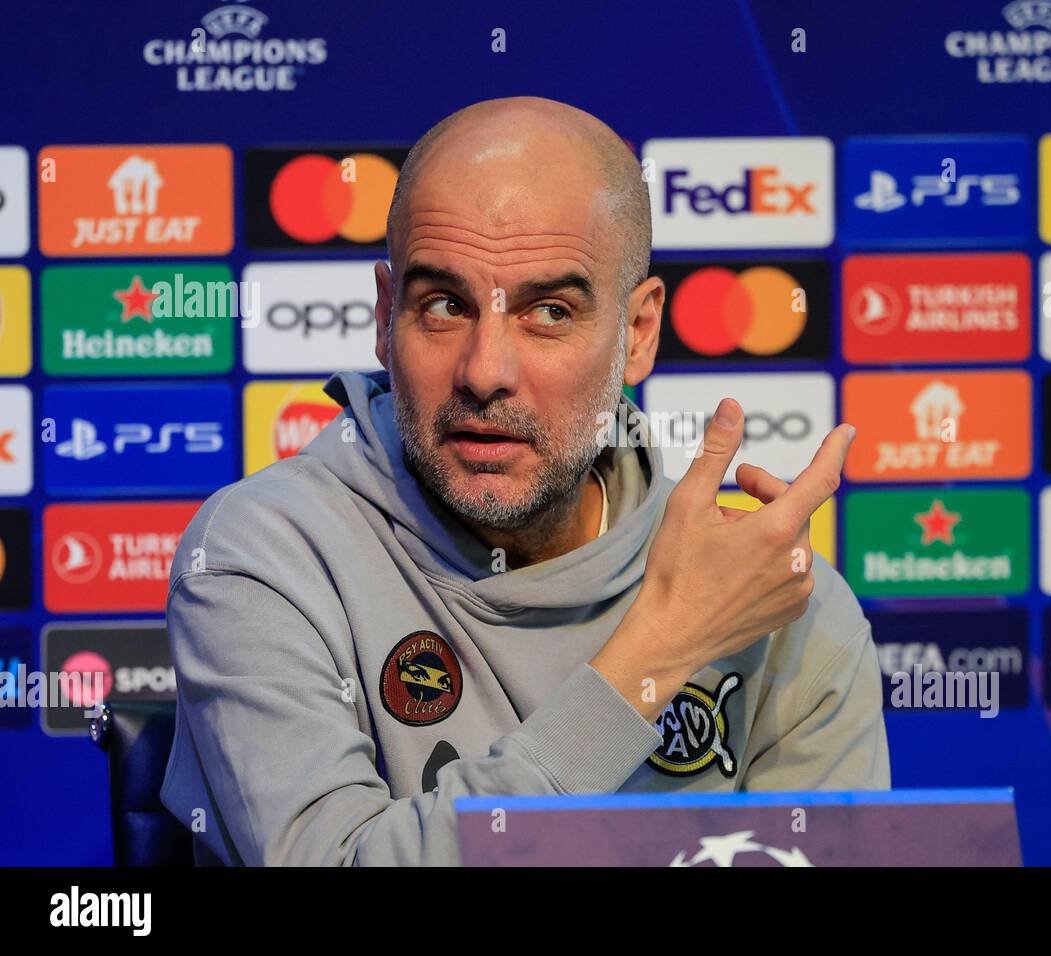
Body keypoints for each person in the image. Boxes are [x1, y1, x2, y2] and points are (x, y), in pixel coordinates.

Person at [161, 95, 889, 865]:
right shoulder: (262, 557)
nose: (485, 373)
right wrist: (665, 645)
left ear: (636, 334)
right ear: (384, 319)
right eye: (443, 305)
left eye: (549, 313)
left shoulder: (776, 607)